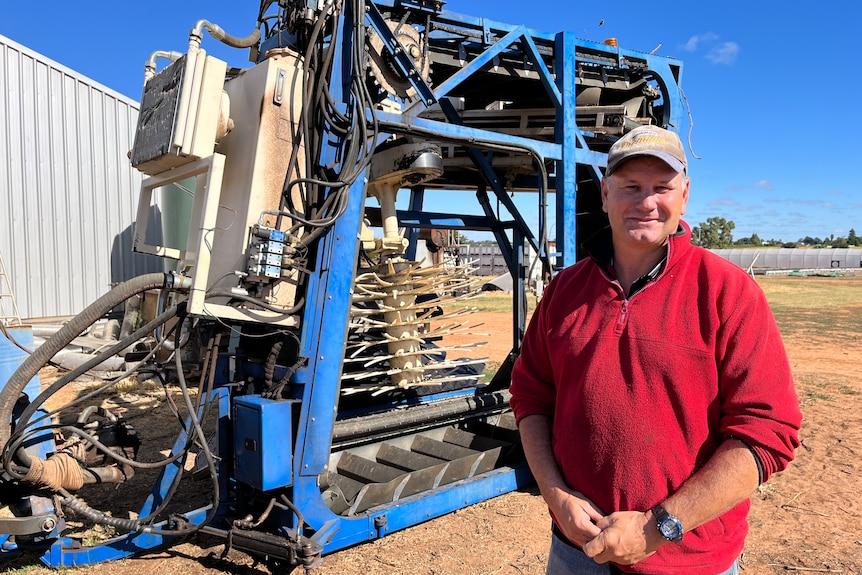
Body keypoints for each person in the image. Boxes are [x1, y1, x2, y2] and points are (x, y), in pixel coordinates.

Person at [509, 125, 802, 574]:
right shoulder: (564, 291)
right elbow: (532, 398)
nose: (646, 202)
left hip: (688, 558)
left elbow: (767, 432)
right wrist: (556, 496)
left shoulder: (728, 292)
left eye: (661, 187)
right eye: (630, 187)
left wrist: (657, 527)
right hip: (576, 550)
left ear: (684, 195)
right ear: (605, 194)